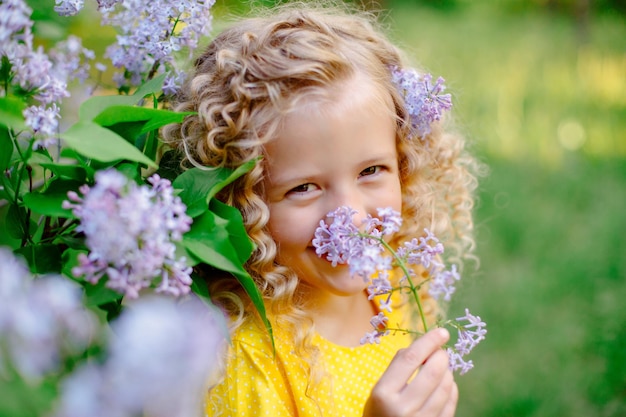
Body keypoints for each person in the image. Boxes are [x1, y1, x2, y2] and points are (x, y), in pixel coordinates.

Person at [163, 3, 479, 416]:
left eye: (371, 170)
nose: (351, 219)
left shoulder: (394, 280)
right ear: (240, 199)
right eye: (304, 188)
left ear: (403, 165)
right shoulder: (245, 362)